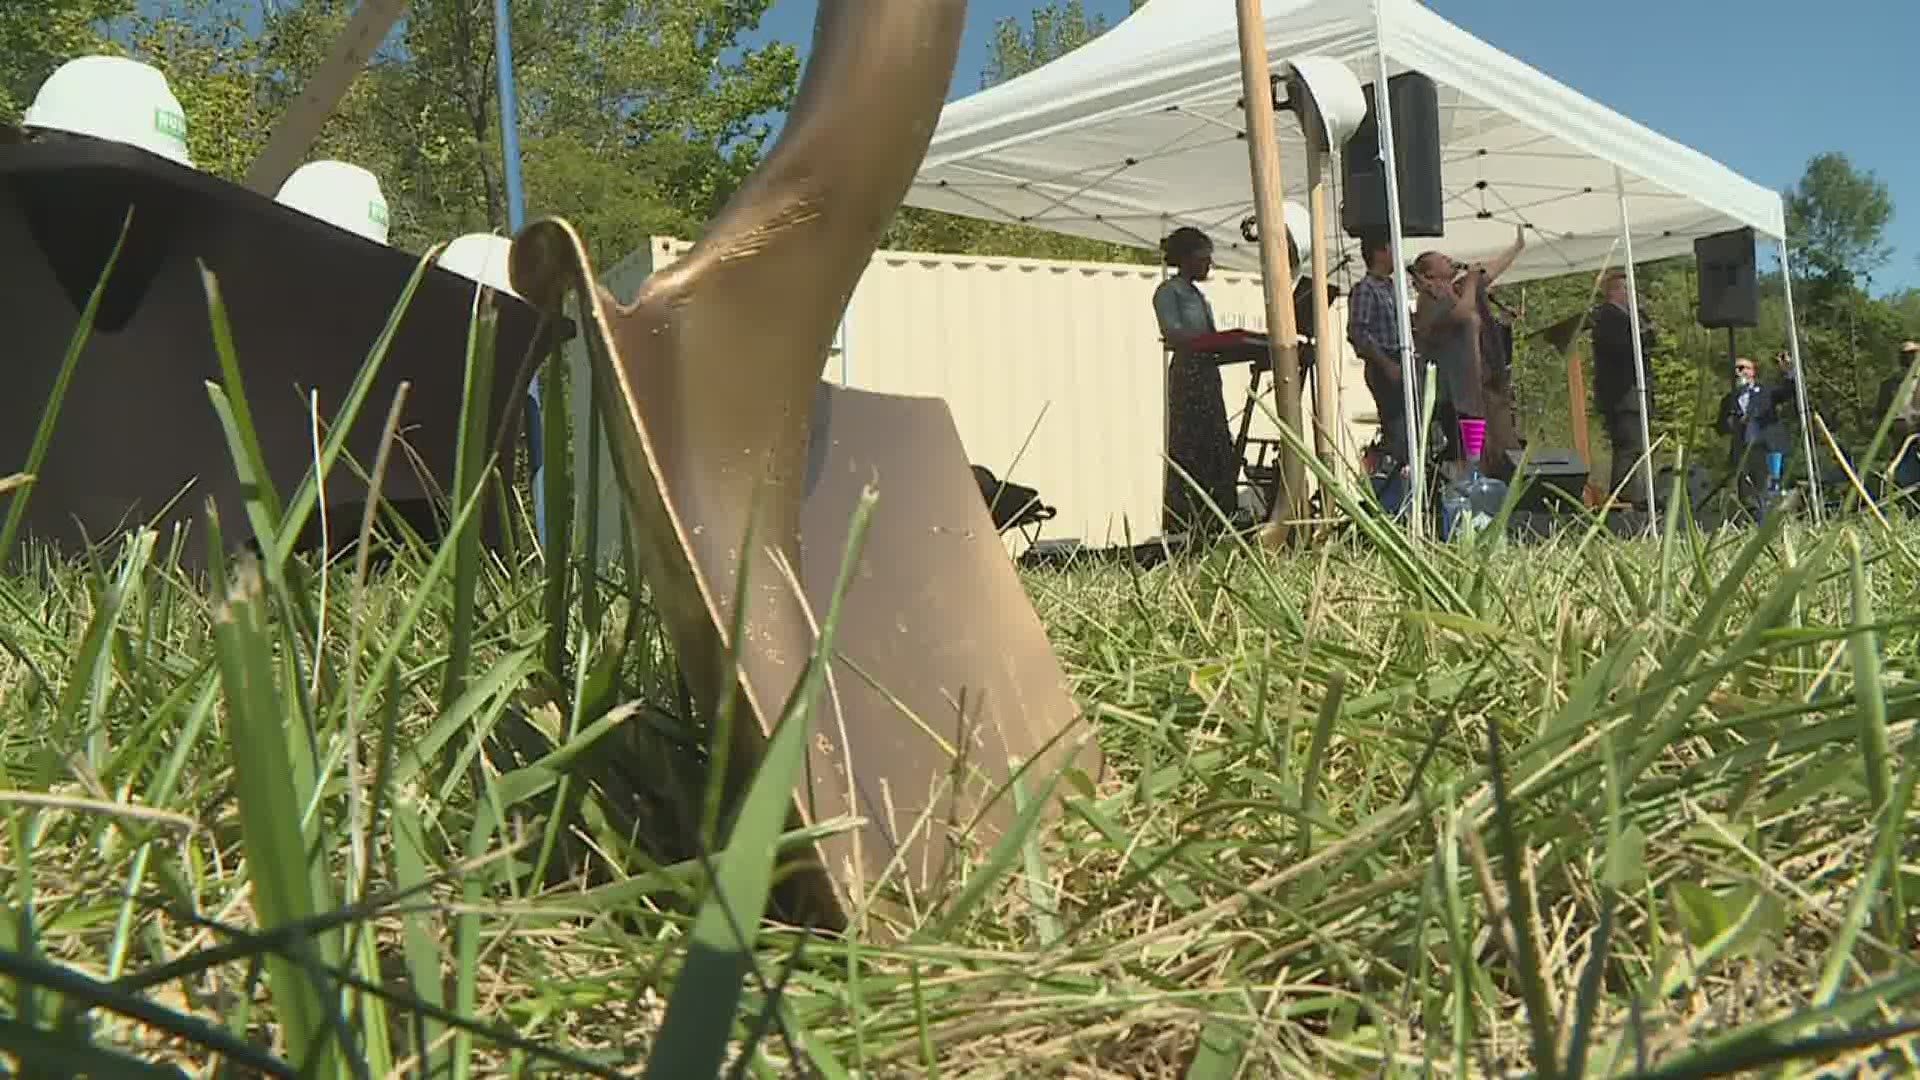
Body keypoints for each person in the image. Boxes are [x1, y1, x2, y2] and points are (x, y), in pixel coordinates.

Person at [1411, 224, 1526, 472]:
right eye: (1441, 259)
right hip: (1457, 397)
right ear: (1429, 274)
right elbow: (1463, 314)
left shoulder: (1460, 289)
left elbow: (1491, 273)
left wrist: (1516, 248)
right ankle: (1472, 495)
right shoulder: (1430, 301)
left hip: (1483, 388)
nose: (1449, 259)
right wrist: (1472, 280)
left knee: (1502, 449)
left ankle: (1500, 488)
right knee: (1471, 454)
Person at [1152, 226, 1240, 534]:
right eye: (1204, 258)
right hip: (1188, 373)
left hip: (1207, 372)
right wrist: (1208, 340)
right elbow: (1173, 332)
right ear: (1186, 259)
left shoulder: (1198, 295)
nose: (1208, 265)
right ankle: (1185, 521)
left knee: (1216, 441)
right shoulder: (1168, 291)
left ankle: (1218, 516)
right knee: (1191, 442)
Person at [1589, 270, 1658, 508]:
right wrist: (1641, 332)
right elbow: (1621, 348)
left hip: (1633, 392)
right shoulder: (1608, 316)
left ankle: (1632, 493)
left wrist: (1645, 325)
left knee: (1636, 447)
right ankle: (1623, 496)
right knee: (1628, 446)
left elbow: (1647, 344)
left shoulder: (1630, 317)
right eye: (1627, 289)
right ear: (1616, 291)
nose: (1632, 295)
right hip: (1622, 395)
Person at [1347, 232, 1412, 463]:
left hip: (1400, 360)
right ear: (1380, 252)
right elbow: (1358, 332)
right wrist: (1386, 365)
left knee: (1411, 426)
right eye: (1392, 249)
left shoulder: (1392, 287)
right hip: (1383, 363)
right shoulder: (1366, 288)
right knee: (1397, 429)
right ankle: (1394, 476)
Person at [1715, 352, 1797, 516]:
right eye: (1734, 370)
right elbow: (1720, 427)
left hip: (1769, 447)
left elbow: (1788, 392)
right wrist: (1731, 425)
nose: (1737, 372)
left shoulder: (1766, 391)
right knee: (1748, 491)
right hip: (1744, 449)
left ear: (1752, 371)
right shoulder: (1728, 399)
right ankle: (1755, 522)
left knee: (1772, 486)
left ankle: (1776, 521)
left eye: (1741, 368)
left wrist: (1789, 372)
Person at [1874, 341, 1920, 490]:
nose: (1910, 359)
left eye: (1913, 355)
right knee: (1902, 470)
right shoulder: (1889, 385)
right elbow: (1881, 412)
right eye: (1907, 355)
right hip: (1899, 435)